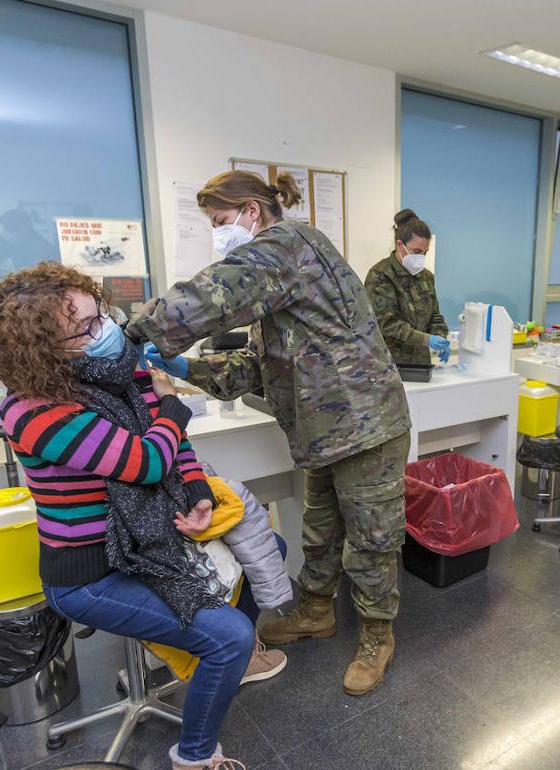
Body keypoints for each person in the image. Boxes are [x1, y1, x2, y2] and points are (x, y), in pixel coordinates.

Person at [0, 263, 283, 770]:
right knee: (229, 635)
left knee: (272, 552)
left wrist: (198, 491)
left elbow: (174, 448)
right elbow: (146, 461)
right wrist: (172, 409)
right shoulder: (33, 411)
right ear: (43, 349)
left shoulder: (120, 370)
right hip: (91, 574)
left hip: (151, 541)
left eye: (104, 315)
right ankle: (195, 753)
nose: (109, 332)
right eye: (88, 328)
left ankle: (217, 660)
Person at [126, 170, 411, 697]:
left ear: (252, 212)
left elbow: (213, 293)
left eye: (219, 221)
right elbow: (257, 365)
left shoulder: (288, 246)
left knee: (370, 540)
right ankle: (316, 611)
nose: (218, 232)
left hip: (365, 425)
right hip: (322, 430)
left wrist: (132, 330)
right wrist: (185, 368)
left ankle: (377, 635)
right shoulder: (280, 276)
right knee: (321, 530)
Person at [364, 209, 450, 366]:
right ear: (400, 245)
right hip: (388, 365)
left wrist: (441, 337)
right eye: (417, 251)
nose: (421, 257)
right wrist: (427, 339)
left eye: (425, 253)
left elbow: (435, 316)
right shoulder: (381, 275)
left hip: (420, 364)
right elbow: (387, 323)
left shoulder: (426, 277)